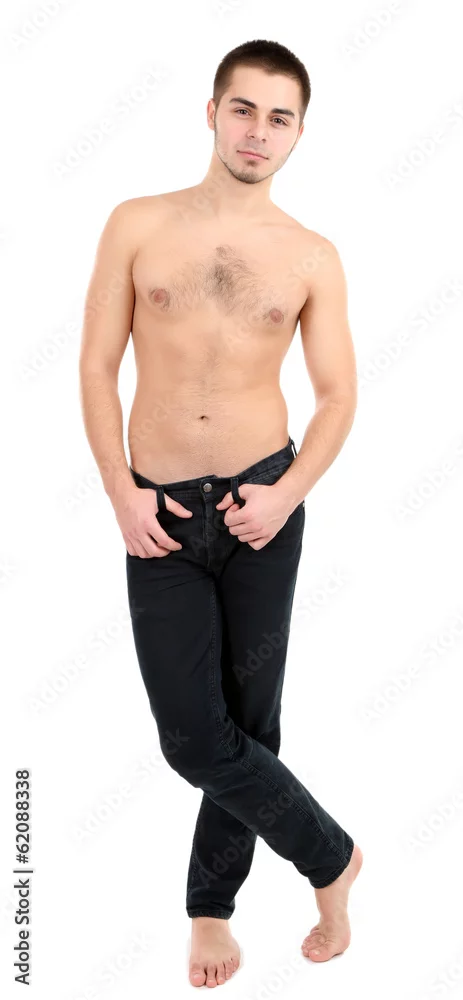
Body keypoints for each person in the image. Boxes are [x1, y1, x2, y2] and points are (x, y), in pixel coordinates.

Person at [79, 38, 362, 990]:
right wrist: (120, 491)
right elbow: (95, 366)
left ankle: (211, 909)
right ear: (211, 112)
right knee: (193, 739)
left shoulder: (312, 255)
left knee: (250, 721)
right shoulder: (137, 223)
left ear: (298, 134)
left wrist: (286, 494)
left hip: (260, 505)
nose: (257, 132)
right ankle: (333, 859)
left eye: (280, 118)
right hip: (155, 511)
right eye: (243, 109)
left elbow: (337, 396)